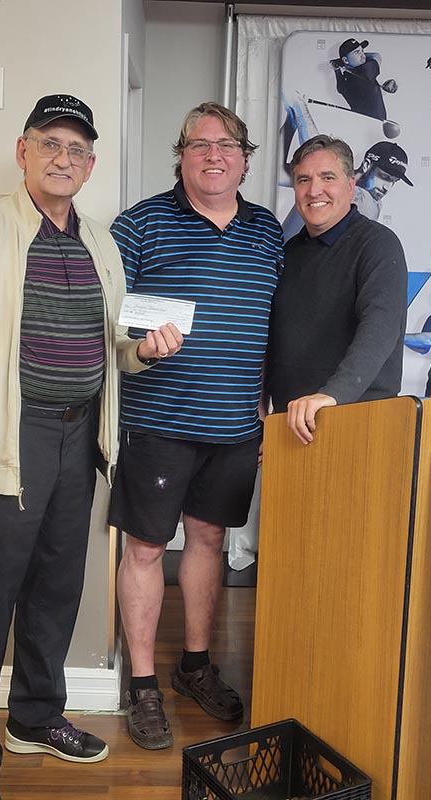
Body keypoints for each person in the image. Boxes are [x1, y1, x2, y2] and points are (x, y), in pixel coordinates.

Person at [0, 94, 181, 800]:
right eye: (50, 145)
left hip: (83, 436)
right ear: (23, 152)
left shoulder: (100, 241)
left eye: (76, 150)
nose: (63, 159)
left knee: (55, 592)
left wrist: (148, 352)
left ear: (90, 165)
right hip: (9, 439)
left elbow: (116, 352)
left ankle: (36, 717)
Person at [109, 101, 284, 750]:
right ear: (180, 155)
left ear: (244, 158)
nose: (214, 153)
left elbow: (281, 329)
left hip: (236, 426)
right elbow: (106, 320)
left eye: (227, 144)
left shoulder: (267, 231)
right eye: (199, 143)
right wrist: (140, 348)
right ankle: (144, 687)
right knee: (148, 549)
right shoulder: (140, 224)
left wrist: (269, 410)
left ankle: (195, 667)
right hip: (158, 422)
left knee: (209, 541)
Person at [266, 134, 407, 446]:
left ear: (350, 185)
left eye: (327, 177)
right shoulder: (288, 254)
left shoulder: (378, 246)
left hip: (357, 424)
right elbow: (268, 335)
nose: (314, 190)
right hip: (292, 426)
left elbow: (380, 328)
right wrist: (260, 404)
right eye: (304, 179)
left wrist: (332, 395)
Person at [279, 94, 413, 238]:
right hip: (278, 256)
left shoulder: (368, 203)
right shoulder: (329, 182)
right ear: (367, 164)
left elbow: (319, 157)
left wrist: (299, 107)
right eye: (385, 177)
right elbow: (278, 175)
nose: (387, 187)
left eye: (393, 181)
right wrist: (291, 120)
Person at [331, 38, 389, 122]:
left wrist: (338, 67)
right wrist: (340, 62)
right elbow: (376, 56)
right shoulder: (367, 70)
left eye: (362, 51)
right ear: (346, 60)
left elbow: (340, 87)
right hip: (377, 125)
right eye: (357, 53)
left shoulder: (344, 81)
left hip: (360, 124)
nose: (363, 55)